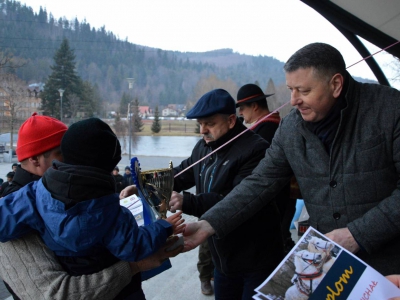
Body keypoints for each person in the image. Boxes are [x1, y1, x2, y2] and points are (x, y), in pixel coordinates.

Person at [182, 43, 400, 276]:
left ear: (335, 84)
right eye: (290, 89)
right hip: (327, 262)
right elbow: (259, 182)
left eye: (303, 91)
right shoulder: (291, 128)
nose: (294, 100)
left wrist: (357, 234)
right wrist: (209, 223)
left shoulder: (389, 109)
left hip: (389, 264)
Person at [0, 114, 183, 300]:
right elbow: (51, 294)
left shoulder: (32, 194)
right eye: (61, 152)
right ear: (35, 159)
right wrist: (162, 228)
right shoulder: (107, 208)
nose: (68, 159)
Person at [170, 89, 284, 299]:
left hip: (257, 260)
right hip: (222, 260)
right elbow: (181, 173)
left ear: (231, 120)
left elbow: (237, 198)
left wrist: (188, 201)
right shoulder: (203, 147)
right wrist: (147, 183)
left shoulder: (256, 149)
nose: (203, 130)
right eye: (200, 124)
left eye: (210, 124)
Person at [236, 83, 296, 253]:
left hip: (276, 197)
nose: (240, 112)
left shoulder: (266, 131)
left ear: (254, 106)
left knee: (275, 242)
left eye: (242, 108)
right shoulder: (271, 126)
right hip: (281, 195)